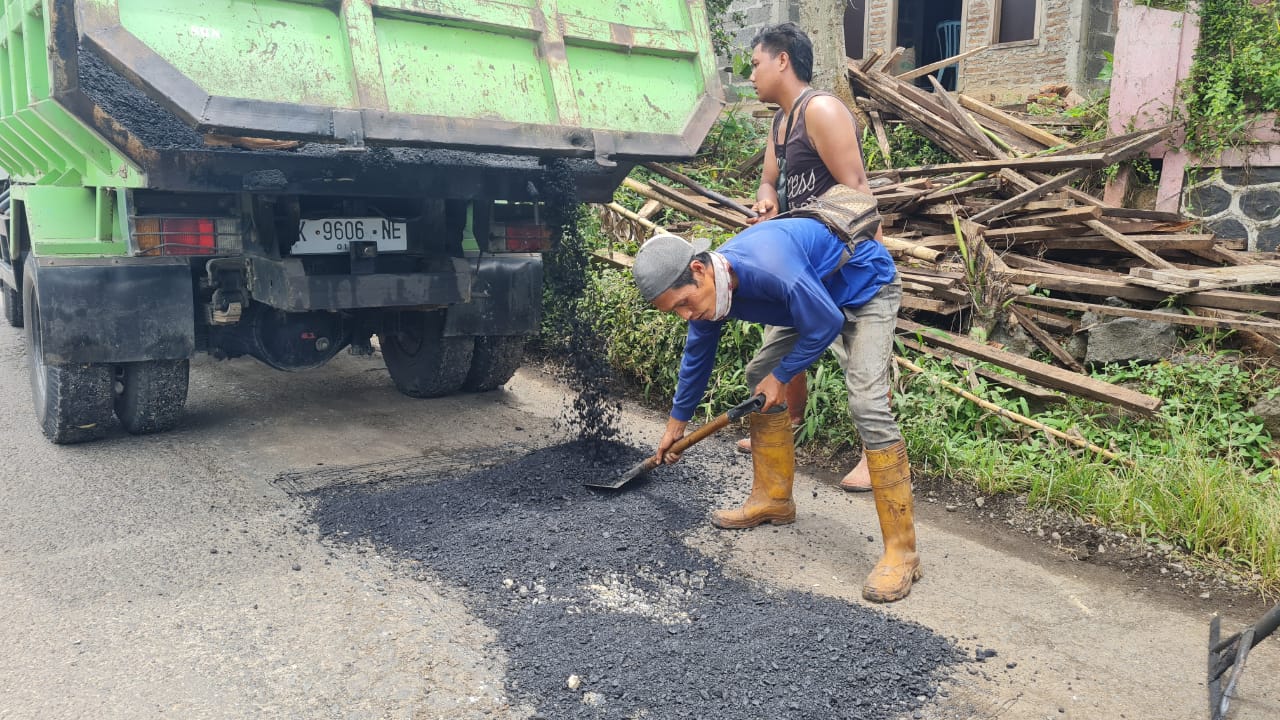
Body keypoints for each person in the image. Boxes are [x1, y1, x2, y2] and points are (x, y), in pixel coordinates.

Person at [631, 225, 921, 603]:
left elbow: (826, 322)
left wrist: (782, 376)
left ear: (700, 270)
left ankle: (903, 553)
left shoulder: (768, 266)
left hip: (864, 289)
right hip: (813, 296)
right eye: (676, 311)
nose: (687, 315)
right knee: (758, 375)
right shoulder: (711, 295)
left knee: (866, 403)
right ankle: (774, 500)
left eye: (685, 302)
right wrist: (676, 423)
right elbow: (697, 357)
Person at [737, 22, 885, 492]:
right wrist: (768, 201)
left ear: (783, 60)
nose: (751, 75)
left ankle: (873, 455)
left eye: (756, 64)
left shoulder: (819, 110)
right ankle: (788, 423)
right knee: (768, 363)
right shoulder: (780, 125)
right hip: (802, 264)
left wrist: (872, 257)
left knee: (857, 369)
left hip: (844, 261)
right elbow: (768, 179)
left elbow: (857, 190)